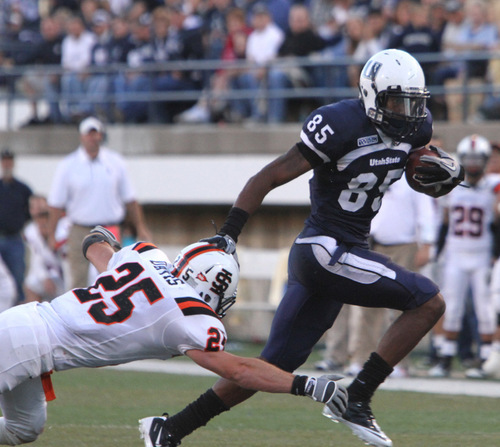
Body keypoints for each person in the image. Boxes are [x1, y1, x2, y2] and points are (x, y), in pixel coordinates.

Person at [140, 49, 464, 447]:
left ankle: (171, 428)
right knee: (429, 302)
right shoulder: (339, 123)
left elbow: (411, 166)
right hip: (324, 248)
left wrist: (439, 175)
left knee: (273, 364)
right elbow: (271, 174)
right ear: (371, 95)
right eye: (396, 101)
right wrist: (229, 232)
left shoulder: (416, 129)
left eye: (412, 102)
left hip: (342, 251)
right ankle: (358, 396)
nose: (406, 111)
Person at [0, 226, 348, 445]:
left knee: (24, 428)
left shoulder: (146, 258)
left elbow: (94, 244)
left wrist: (101, 237)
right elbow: (239, 371)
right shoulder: (188, 317)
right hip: (28, 346)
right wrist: (306, 385)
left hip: (27, 327)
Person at [47, 116, 152, 290]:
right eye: (89, 134)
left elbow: (130, 199)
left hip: (109, 229)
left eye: (95, 134)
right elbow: (56, 204)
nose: (93, 138)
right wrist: (51, 234)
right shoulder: (67, 165)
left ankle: (113, 315)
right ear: (82, 136)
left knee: (114, 277)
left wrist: (141, 227)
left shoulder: (116, 162)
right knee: (78, 280)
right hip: (80, 228)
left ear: (101, 136)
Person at [429, 134, 499, 378]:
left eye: (477, 159)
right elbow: (445, 223)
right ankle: (446, 358)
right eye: (468, 159)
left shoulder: (494, 185)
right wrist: (437, 252)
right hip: (456, 253)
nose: (472, 164)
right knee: (453, 306)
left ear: (486, 160)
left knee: (485, 309)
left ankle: (485, 360)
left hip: (482, 255)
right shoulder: (452, 186)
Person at [0, 148, 33, 305]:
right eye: (4, 160)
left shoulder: (22, 189)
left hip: (14, 238)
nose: (7, 163)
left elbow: (30, 211)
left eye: (9, 160)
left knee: (17, 277)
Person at [23, 196, 68, 303]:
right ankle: (34, 317)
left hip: (66, 276)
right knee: (30, 283)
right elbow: (36, 260)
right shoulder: (31, 231)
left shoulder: (63, 232)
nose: (42, 226)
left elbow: (68, 264)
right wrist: (45, 278)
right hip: (52, 275)